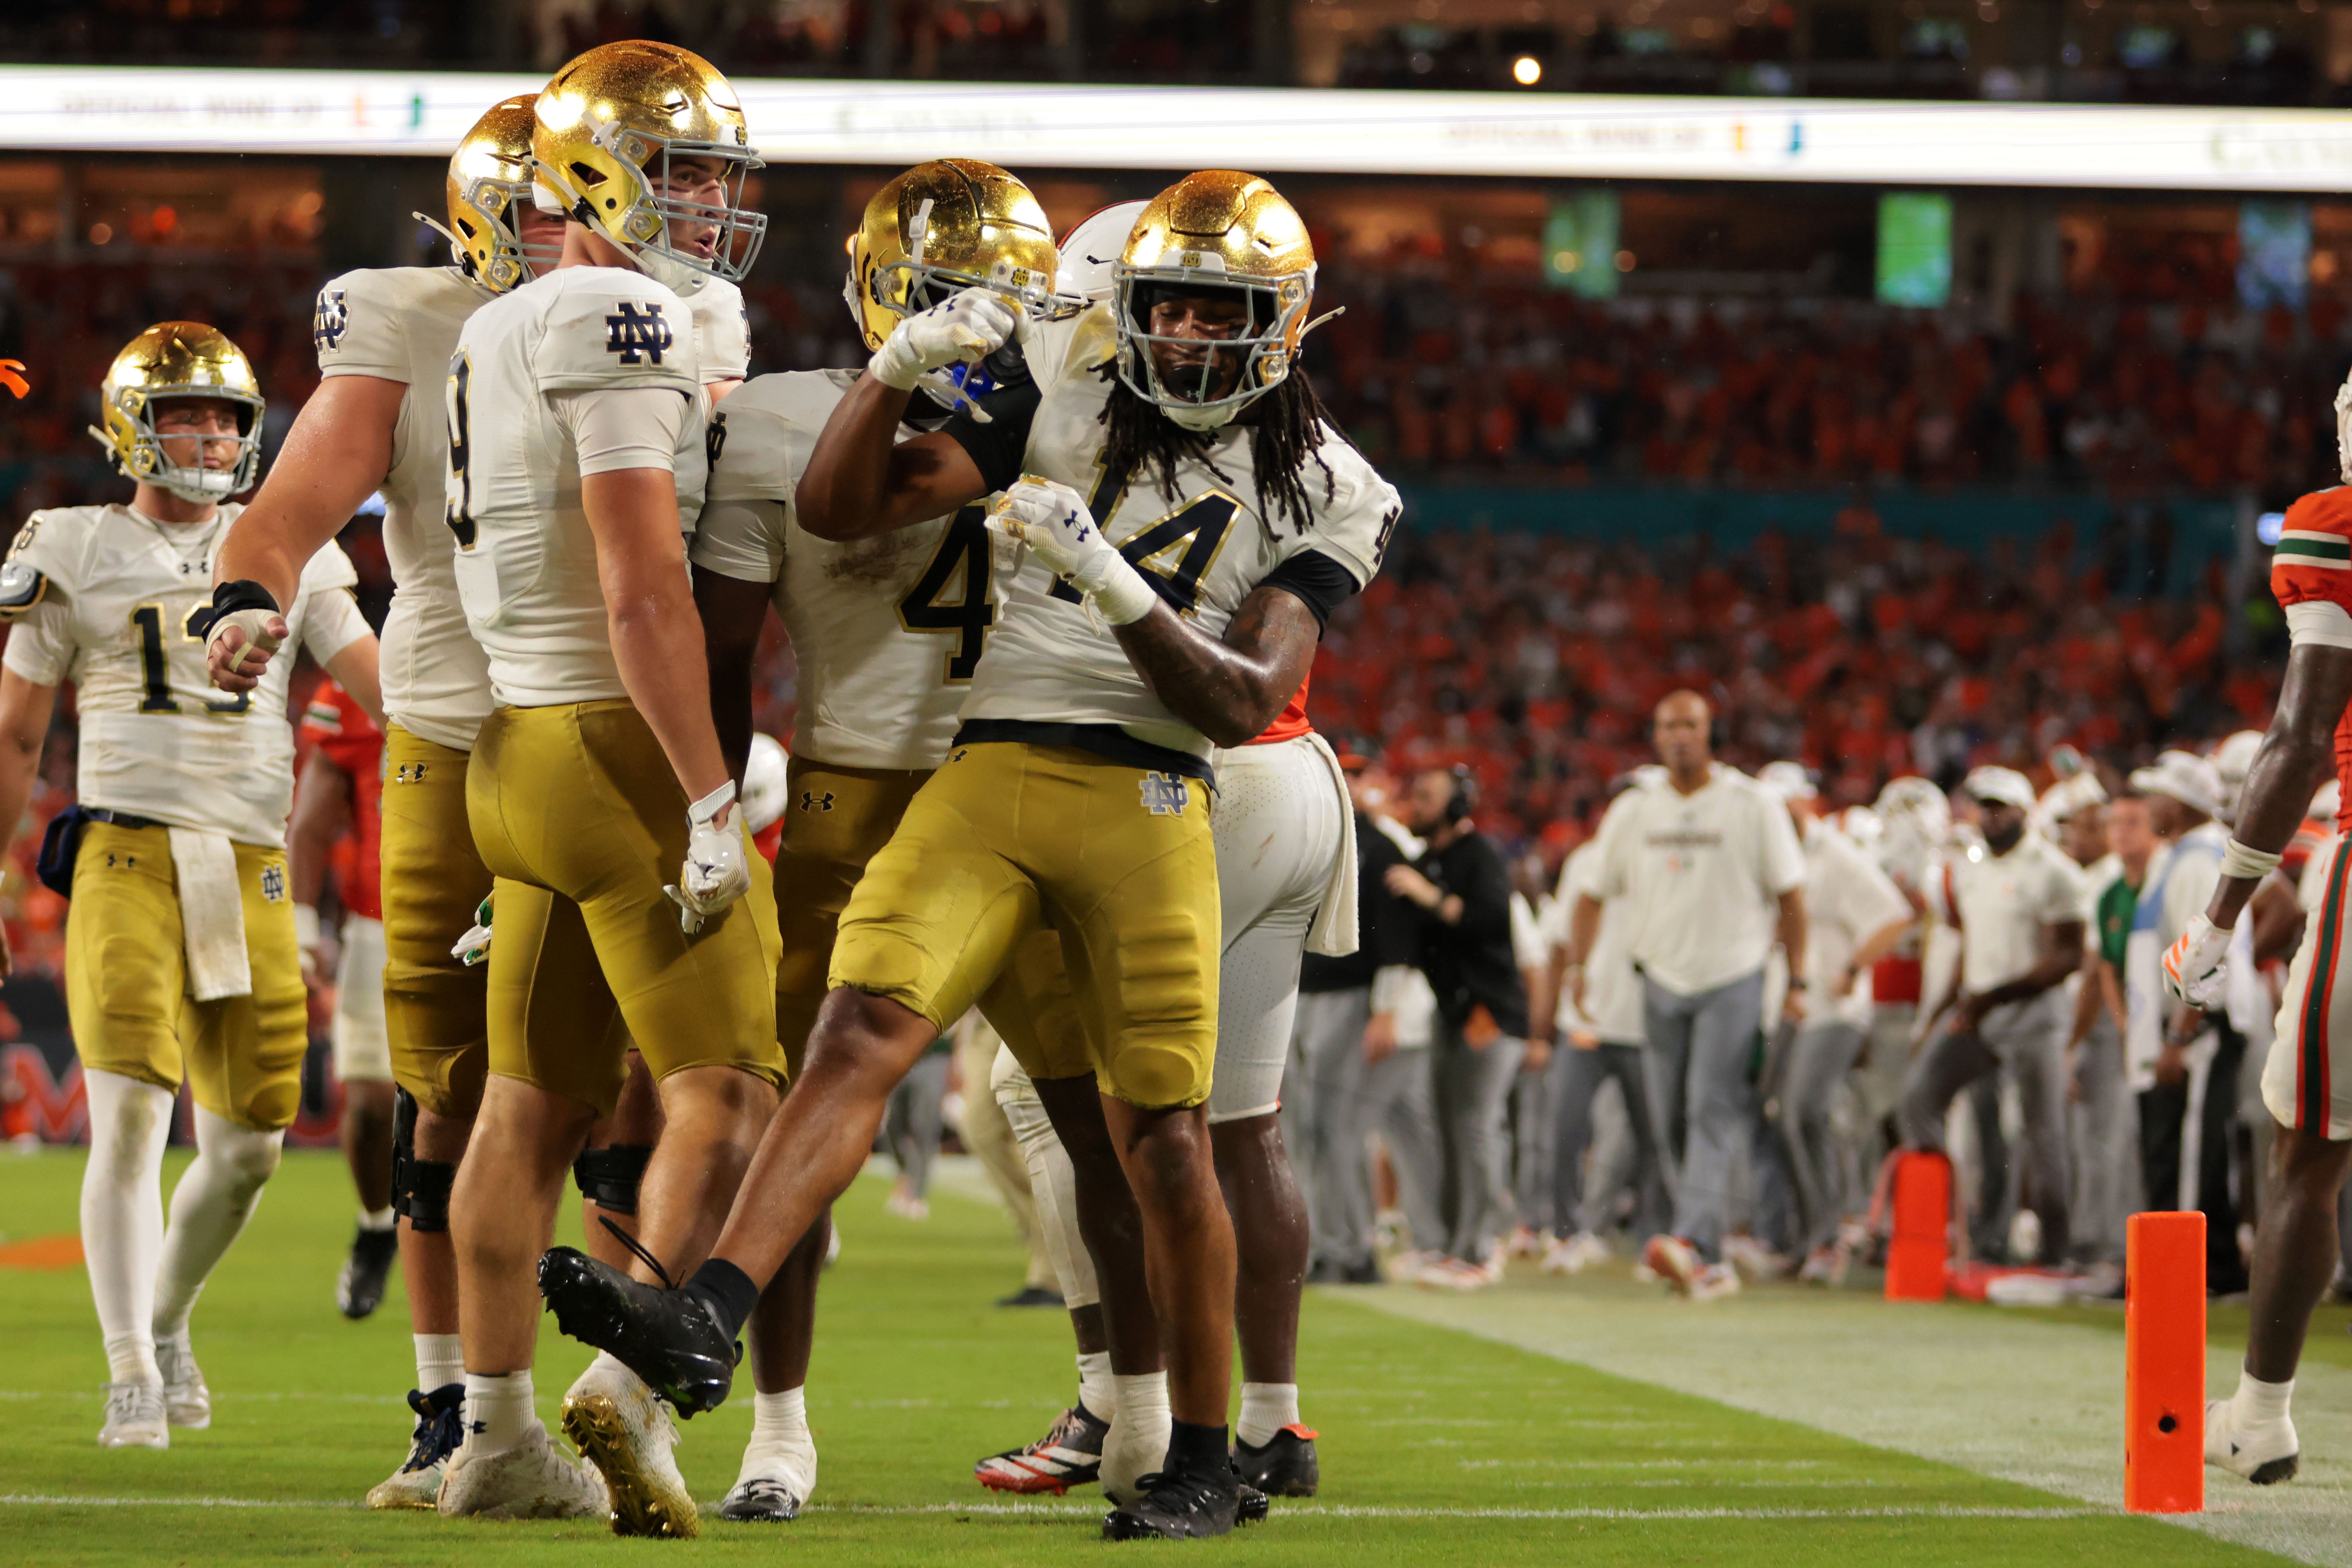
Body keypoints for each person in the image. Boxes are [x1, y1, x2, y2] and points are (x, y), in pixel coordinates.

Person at [539, 167, 1397, 1542]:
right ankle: (707, 1318)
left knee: (1163, 1137)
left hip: (1151, 799)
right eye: (1164, 306)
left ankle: (1194, 1447)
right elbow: (843, 507)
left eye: (1215, 312)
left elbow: (1241, 698)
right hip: (985, 768)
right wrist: (886, 376)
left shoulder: (1332, 487)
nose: (1182, 336)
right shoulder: (1065, 369)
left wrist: (1112, 584)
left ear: (1282, 320)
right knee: (854, 1028)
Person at [233, 43, 784, 1534]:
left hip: (511, 749)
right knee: (730, 1091)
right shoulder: (620, 311)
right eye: (688, 176)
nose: (719, 205)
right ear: (601, 177)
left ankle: (488, 1436)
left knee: (518, 1111)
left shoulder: (490, 326)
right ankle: (635, 1383)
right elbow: (644, 589)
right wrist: (710, 796)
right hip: (610, 738)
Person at [687, 159, 1075, 1522]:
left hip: (980, 782)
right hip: (932, 787)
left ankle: (1129, 1399)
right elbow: (728, 647)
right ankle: (779, 1427)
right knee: (812, 1113)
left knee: (1093, 1114)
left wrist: (718, 798)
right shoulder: (808, 421)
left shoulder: (804, 415)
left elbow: (730, 667)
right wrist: (718, 805)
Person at [201, 94, 568, 1511]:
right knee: (443, 1086)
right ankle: (453, 1404)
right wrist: (250, 588)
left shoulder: (681, 327)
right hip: (457, 722)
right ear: (484, 216)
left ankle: (623, 1397)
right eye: (550, 205)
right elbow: (296, 497)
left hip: (609, 733)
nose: (586, 233)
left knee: (631, 1085)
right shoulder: (407, 319)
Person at [0, 321, 378, 1450]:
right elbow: (18, 736)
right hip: (123, 847)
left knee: (251, 1145)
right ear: (132, 427)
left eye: (224, 415)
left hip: (249, 862)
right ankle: (125, 1370)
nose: (210, 435)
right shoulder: (68, 540)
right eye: (184, 416)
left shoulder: (293, 544)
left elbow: (374, 679)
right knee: (126, 1125)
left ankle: (165, 1321)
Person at [2169, 458, 2352, 1484]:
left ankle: (2259, 1415)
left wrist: (2218, 917)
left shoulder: (2337, 524)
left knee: (2308, 1154)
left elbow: (2297, 740)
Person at [1570, 690, 1807, 1299]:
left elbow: (1791, 895)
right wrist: (1578, 968)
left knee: (1709, 1105)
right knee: (1667, 1117)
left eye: (1690, 724)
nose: (1678, 734)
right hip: (1660, 978)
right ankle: (1708, 1256)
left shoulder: (1750, 803)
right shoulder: (1633, 810)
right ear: (1654, 735)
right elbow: (1590, 893)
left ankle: (1695, 1241)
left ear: (1710, 732)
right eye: (1667, 724)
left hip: (1732, 975)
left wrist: (1796, 979)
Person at [1896, 765, 2086, 1268]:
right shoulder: (1972, 867)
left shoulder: (2053, 869)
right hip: (1980, 1010)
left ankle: (2054, 1249)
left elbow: (2068, 956)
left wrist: (1993, 995)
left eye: (2000, 806)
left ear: (2024, 810)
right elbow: (1971, 948)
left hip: (2032, 1013)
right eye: (1983, 805)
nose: (1990, 815)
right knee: (1921, 1097)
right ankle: (1960, 1224)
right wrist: (1946, 1009)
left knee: (2041, 1131)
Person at [1756, 762, 1914, 1282]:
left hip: (1834, 1008)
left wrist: (1851, 968)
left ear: (1805, 802)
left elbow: (1892, 915)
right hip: (1789, 1007)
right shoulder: (1768, 856)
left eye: (1786, 806)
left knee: (1804, 1111)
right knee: (1783, 1120)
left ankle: (1829, 1237)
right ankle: (1806, 1237)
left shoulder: (1835, 855)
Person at [1294, 755, 1439, 1287]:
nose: (1349, 784)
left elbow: (1397, 939)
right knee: (1303, 1132)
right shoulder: (1308, 835)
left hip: (1351, 998)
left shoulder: (1379, 846)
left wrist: (1385, 1009)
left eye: (1359, 775)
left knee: (1337, 1130)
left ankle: (1351, 1250)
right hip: (1299, 997)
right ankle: (1319, 1245)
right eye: (1343, 772)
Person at [1387, 766, 1530, 1285]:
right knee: (1448, 1130)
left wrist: (1430, 898)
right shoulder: (1428, 860)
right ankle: (1450, 1242)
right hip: (1451, 1013)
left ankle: (1481, 1246)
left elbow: (1492, 919)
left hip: (1487, 1012)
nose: (1416, 804)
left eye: (1426, 796)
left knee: (1475, 1127)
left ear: (1457, 804)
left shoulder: (1478, 855)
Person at [286, 677, 396, 1319]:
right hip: (378, 920)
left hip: (492, 910)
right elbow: (310, 823)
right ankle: (376, 1223)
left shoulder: (511, 654)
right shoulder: (359, 683)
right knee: (373, 1100)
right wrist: (305, 928)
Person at [1539, 767, 1668, 1275]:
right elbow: (1557, 940)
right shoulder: (1587, 860)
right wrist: (1544, 1021)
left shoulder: (1667, 860)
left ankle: (1653, 1239)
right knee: (1564, 1132)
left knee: (1653, 1140)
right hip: (1586, 1020)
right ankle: (1568, 1234)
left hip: (1643, 1021)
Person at [2126, 751, 2244, 1291]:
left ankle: (2207, 1270)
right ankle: (2181, 1268)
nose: (2147, 804)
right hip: (2180, 1032)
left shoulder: (2197, 860)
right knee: (2178, 1149)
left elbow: (2204, 959)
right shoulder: (2181, 855)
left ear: (2176, 803)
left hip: (2197, 1032)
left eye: (2155, 794)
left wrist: (2178, 1036)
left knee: (2198, 1151)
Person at [2068, 786, 2148, 1273]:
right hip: (2122, 1022)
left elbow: (2095, 971)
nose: (2116, 832)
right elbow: (2101, 969)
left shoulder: (2156, 874)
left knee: (2116, 1136)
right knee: (2109, 1135)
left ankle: (2113, 1244)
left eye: (2129, 822)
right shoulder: (2108, 885)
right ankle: (2106, 1242)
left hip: (2146, 1023)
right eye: (2111, 823)